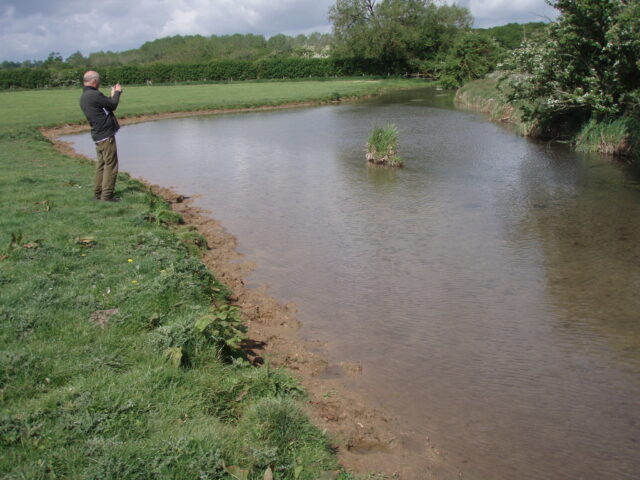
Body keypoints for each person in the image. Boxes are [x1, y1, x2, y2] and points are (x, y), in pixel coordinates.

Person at [79, 70, 123, 201]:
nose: (99, 84)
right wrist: (117, 92)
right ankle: (107, 196)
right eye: (98, 81)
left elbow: (106, 106)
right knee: (111, 165)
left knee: (101, 165)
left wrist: (111, 96)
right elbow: (113, 105)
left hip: (97, 135)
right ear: (94, 81)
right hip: (105, 136)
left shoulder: (85, 96)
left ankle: (97, 194)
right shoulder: (95, 95)